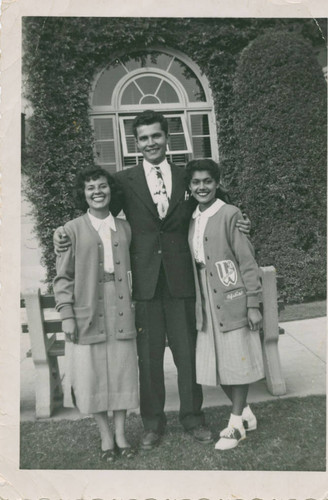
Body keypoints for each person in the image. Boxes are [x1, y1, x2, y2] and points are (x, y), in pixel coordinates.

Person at [54, 110, 250, 450]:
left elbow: (218, 201)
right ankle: (152, 425)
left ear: (166, 137)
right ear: (136, 143)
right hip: (142, 285)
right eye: (143, 138)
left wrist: (242, 221)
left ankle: (193, 418)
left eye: (156, 136)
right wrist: (61, 233)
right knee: (148, 359)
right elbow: (95, 212)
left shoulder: (186, 175)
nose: (150, 143)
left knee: (187, 355)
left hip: (182, 281)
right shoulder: (123, 181)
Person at [53, 166, 138, 462]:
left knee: (122, 369)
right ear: (84, 194)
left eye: (102, 186)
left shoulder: (125, 228)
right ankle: (105, 436)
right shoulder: (70, 230)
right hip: (87, 308)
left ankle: (121, 434)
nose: (97, 192)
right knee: (93, 374)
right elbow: (63, 278)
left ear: (110, 190)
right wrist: (66, 314)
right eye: (91, 188)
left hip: (122, 307)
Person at [186, 159, 264, 451]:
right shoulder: (191, 218)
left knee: (236, 361)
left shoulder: (230, 214)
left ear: (216, 183)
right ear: (189, 186)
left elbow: (247, 261)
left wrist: (252, 304)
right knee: (217, 365)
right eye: (196, 182)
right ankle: (244, 412)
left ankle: (234, 427)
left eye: (207, 181)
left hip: (230, 296)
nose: (202, 187)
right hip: (204, 299)